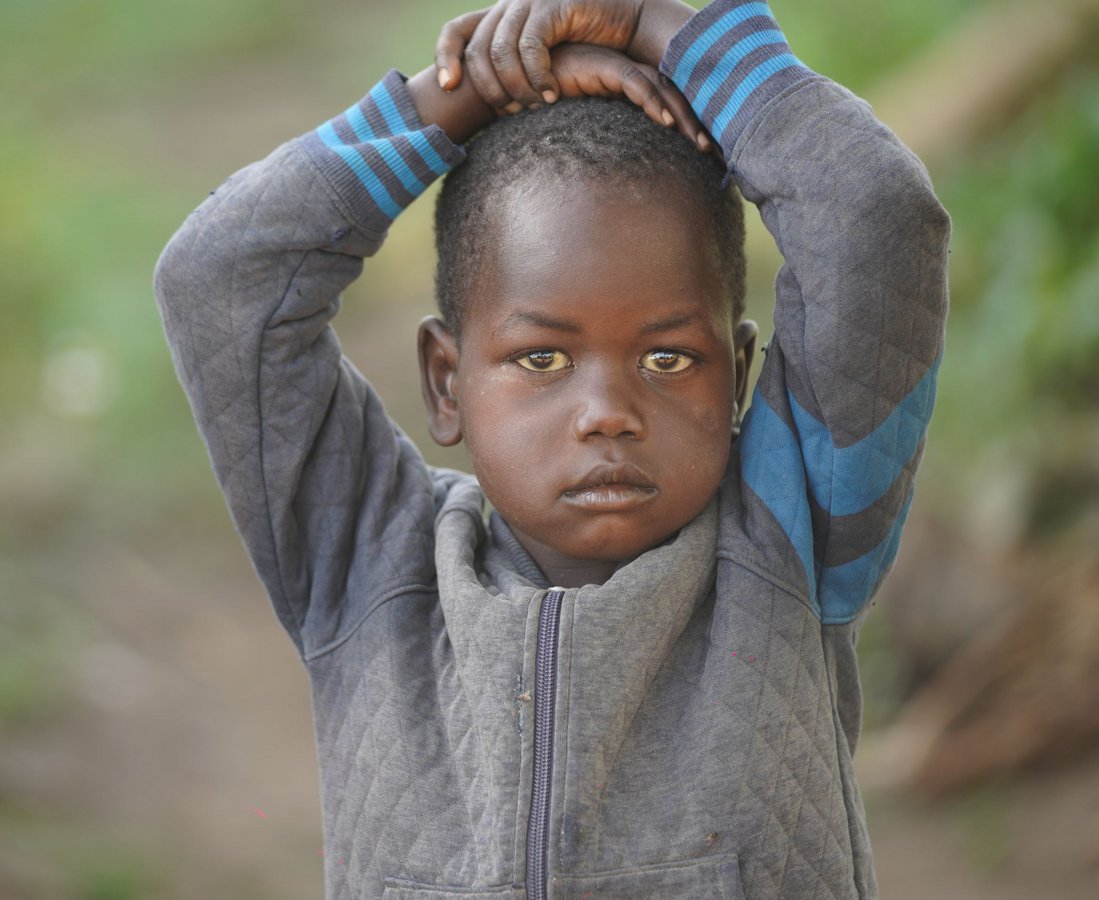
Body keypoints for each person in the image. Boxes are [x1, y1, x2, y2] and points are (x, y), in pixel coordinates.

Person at [154, 0, 950, 896]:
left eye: (668, 357)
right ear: (447, 381)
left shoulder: (790, 542)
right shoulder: (369, 566)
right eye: (542, 357)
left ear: (735, 380)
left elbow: (878, 217)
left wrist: (663, 28)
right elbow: (220, 280)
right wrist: (454, 101)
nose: (607, 412)